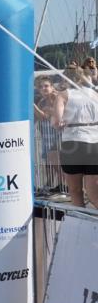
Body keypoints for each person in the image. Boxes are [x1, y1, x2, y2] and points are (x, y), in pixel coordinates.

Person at [53, 66, 98, 207]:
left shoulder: (63, 95)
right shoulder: (95, 93)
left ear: (65, 78)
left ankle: (81, 225)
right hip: (95, 142)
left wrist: (59, 123)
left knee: (75, 190)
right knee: (94, 192)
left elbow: (56, 122)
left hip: (73, 144)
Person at [35, 77, 61, 194]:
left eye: (46, 86)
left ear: (52, 86)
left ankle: (65, 185)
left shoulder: (56, 98)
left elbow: (47, 115)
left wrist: (33, 106)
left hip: (57, 134)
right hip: (47, 135)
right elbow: (41, 116)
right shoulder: (42, 101)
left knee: (56, 162)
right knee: (48, 163)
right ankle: (50, 185)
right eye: (40, 87)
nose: (43, 89)